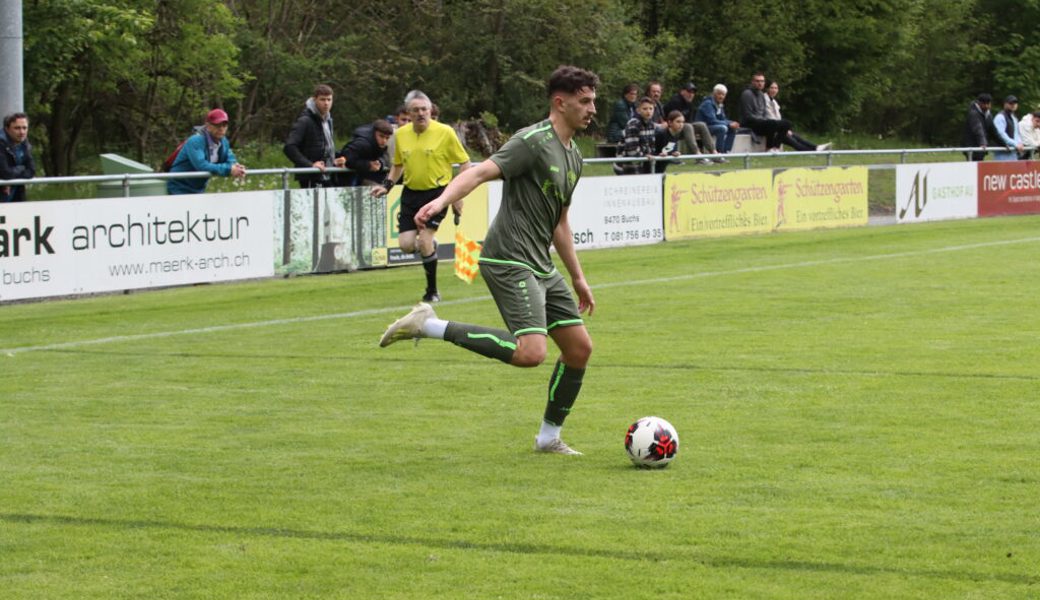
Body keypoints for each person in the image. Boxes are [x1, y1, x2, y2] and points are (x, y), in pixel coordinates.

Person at [379, 65, 599, 456]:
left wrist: (578, 277)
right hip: (507, 258)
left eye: (593, 101)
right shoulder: (532, 141)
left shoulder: (574, 156)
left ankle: (548, 438)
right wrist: (442, 200)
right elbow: (480, 172)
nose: (592, 109)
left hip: (540, 263)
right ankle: (427, 325)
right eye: (584, 101)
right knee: (531, 352)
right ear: (559, 102)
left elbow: (560, 223)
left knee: (579, 348)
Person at [373, 90, 472, 303]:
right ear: (408, 113)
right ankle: (431, 249)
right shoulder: (400, 134)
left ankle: (432, 291)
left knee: (425, 240)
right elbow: (398, 164)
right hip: (410, 194)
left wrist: (456, 192)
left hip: (436, 194)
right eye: (416, 110)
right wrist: (387, 186)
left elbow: (465, 162)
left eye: (424, 109)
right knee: (406, 245)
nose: (421, 114)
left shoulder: (445, 132)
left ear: (431, 110)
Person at [166, 108, 246, 195]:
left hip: (199, 188)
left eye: (224, 125)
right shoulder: (195, 141)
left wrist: (237, 168)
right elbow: (202, 165)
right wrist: (228, 169)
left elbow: (230, 159)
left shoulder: (224, 141)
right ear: (208, 126)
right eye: (217, 125)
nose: (221, 129)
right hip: (179, 187)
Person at [284, 84, 347, 188]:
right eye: (322, 99)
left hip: (328, 175)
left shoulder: (328, 120)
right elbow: (289, 147)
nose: (326, 103)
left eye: (329, 99)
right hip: (310, 177)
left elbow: (324, 147)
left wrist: (335, 160)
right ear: (314, 100)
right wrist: (310, 165)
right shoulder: (305, 120)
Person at [765, 80, 830, 152]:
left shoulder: (774, 102)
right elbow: (769, 116)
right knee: (793, 142)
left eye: (776, 88)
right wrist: (782, 129)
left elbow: (778, 117)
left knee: (795, 137)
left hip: (778, 127)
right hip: (771, 128)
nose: (774, 90)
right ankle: (813, 150)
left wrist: (784, 129)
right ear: (767, 88)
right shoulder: (764, 100)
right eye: (772, 88)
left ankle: (815, 148)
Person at [662, 82, 718, 163]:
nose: (691, 94)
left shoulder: (689, 103)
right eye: (689, 92)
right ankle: (698, 156)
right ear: (682, 92)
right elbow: (672, 121)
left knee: (701, 125)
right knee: (687, 126)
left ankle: (714, 154)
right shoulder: (675, 101)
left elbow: (690, 121)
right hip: (671, 130)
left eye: (693, 92)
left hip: (683, 129)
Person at [341, 119, 394, 186]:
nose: (384, 141)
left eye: (387, 138)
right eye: (381, 136)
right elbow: (346, 158)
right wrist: (368, 165)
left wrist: (380, 163)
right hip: (350, 180)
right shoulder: (362, 143)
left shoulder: (380, 144)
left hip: (366, 177)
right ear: (374, 133)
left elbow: (385, 156)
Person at [695, 84, 740, 155]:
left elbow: (723, 119)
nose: (721, 96)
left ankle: (726, 151)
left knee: (733, 128)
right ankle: (719, 152)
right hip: (703, 127)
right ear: (714, 93)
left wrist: (732, 123)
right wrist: (728, 124)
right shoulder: (708, 104)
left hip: (711, 126)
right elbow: (711, 120)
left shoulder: (719, 105)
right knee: (722, 128)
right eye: (719, 94)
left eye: (723, 95)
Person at [0, 113, 35, 203]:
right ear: (7, 129)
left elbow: (31, 171)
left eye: (24, 128)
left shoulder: (25, 144)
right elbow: (5, 173)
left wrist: (10, 181)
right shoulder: (1, 144)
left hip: (16, 196)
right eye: (17, 128)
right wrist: (22, 168)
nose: (22, 132)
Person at [619, 97, 658, 174]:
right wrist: (645, 156)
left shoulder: (652, 125)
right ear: (638, 110)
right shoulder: (633, 124)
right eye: (645, 109)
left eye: (651, 108)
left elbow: (652, 146)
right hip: (626, 165)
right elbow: (632, 151)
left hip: (644, 163)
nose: (648, 111)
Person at [992, 95, 1023, 161]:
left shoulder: (1014, 118)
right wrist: (1015, 143)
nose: (1013, 105)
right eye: (1010, 103)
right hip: (1002, 152)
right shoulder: (1000, 117)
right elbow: (1001, 134)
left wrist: (1019, 143)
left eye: (1015, 103)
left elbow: (1016, 134)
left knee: (1013, 171)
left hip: (1013, 153)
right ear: (1005, 104)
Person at [962, 93, 993, 162]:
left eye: (988, 104)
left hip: (981, 149)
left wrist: (1003, 143)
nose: (987, 106)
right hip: (972, 147)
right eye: (985, 104)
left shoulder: (988, 114)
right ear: (979, 103)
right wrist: (983, 142)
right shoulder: (973, 113)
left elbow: (993, 130)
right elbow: (978, 128)